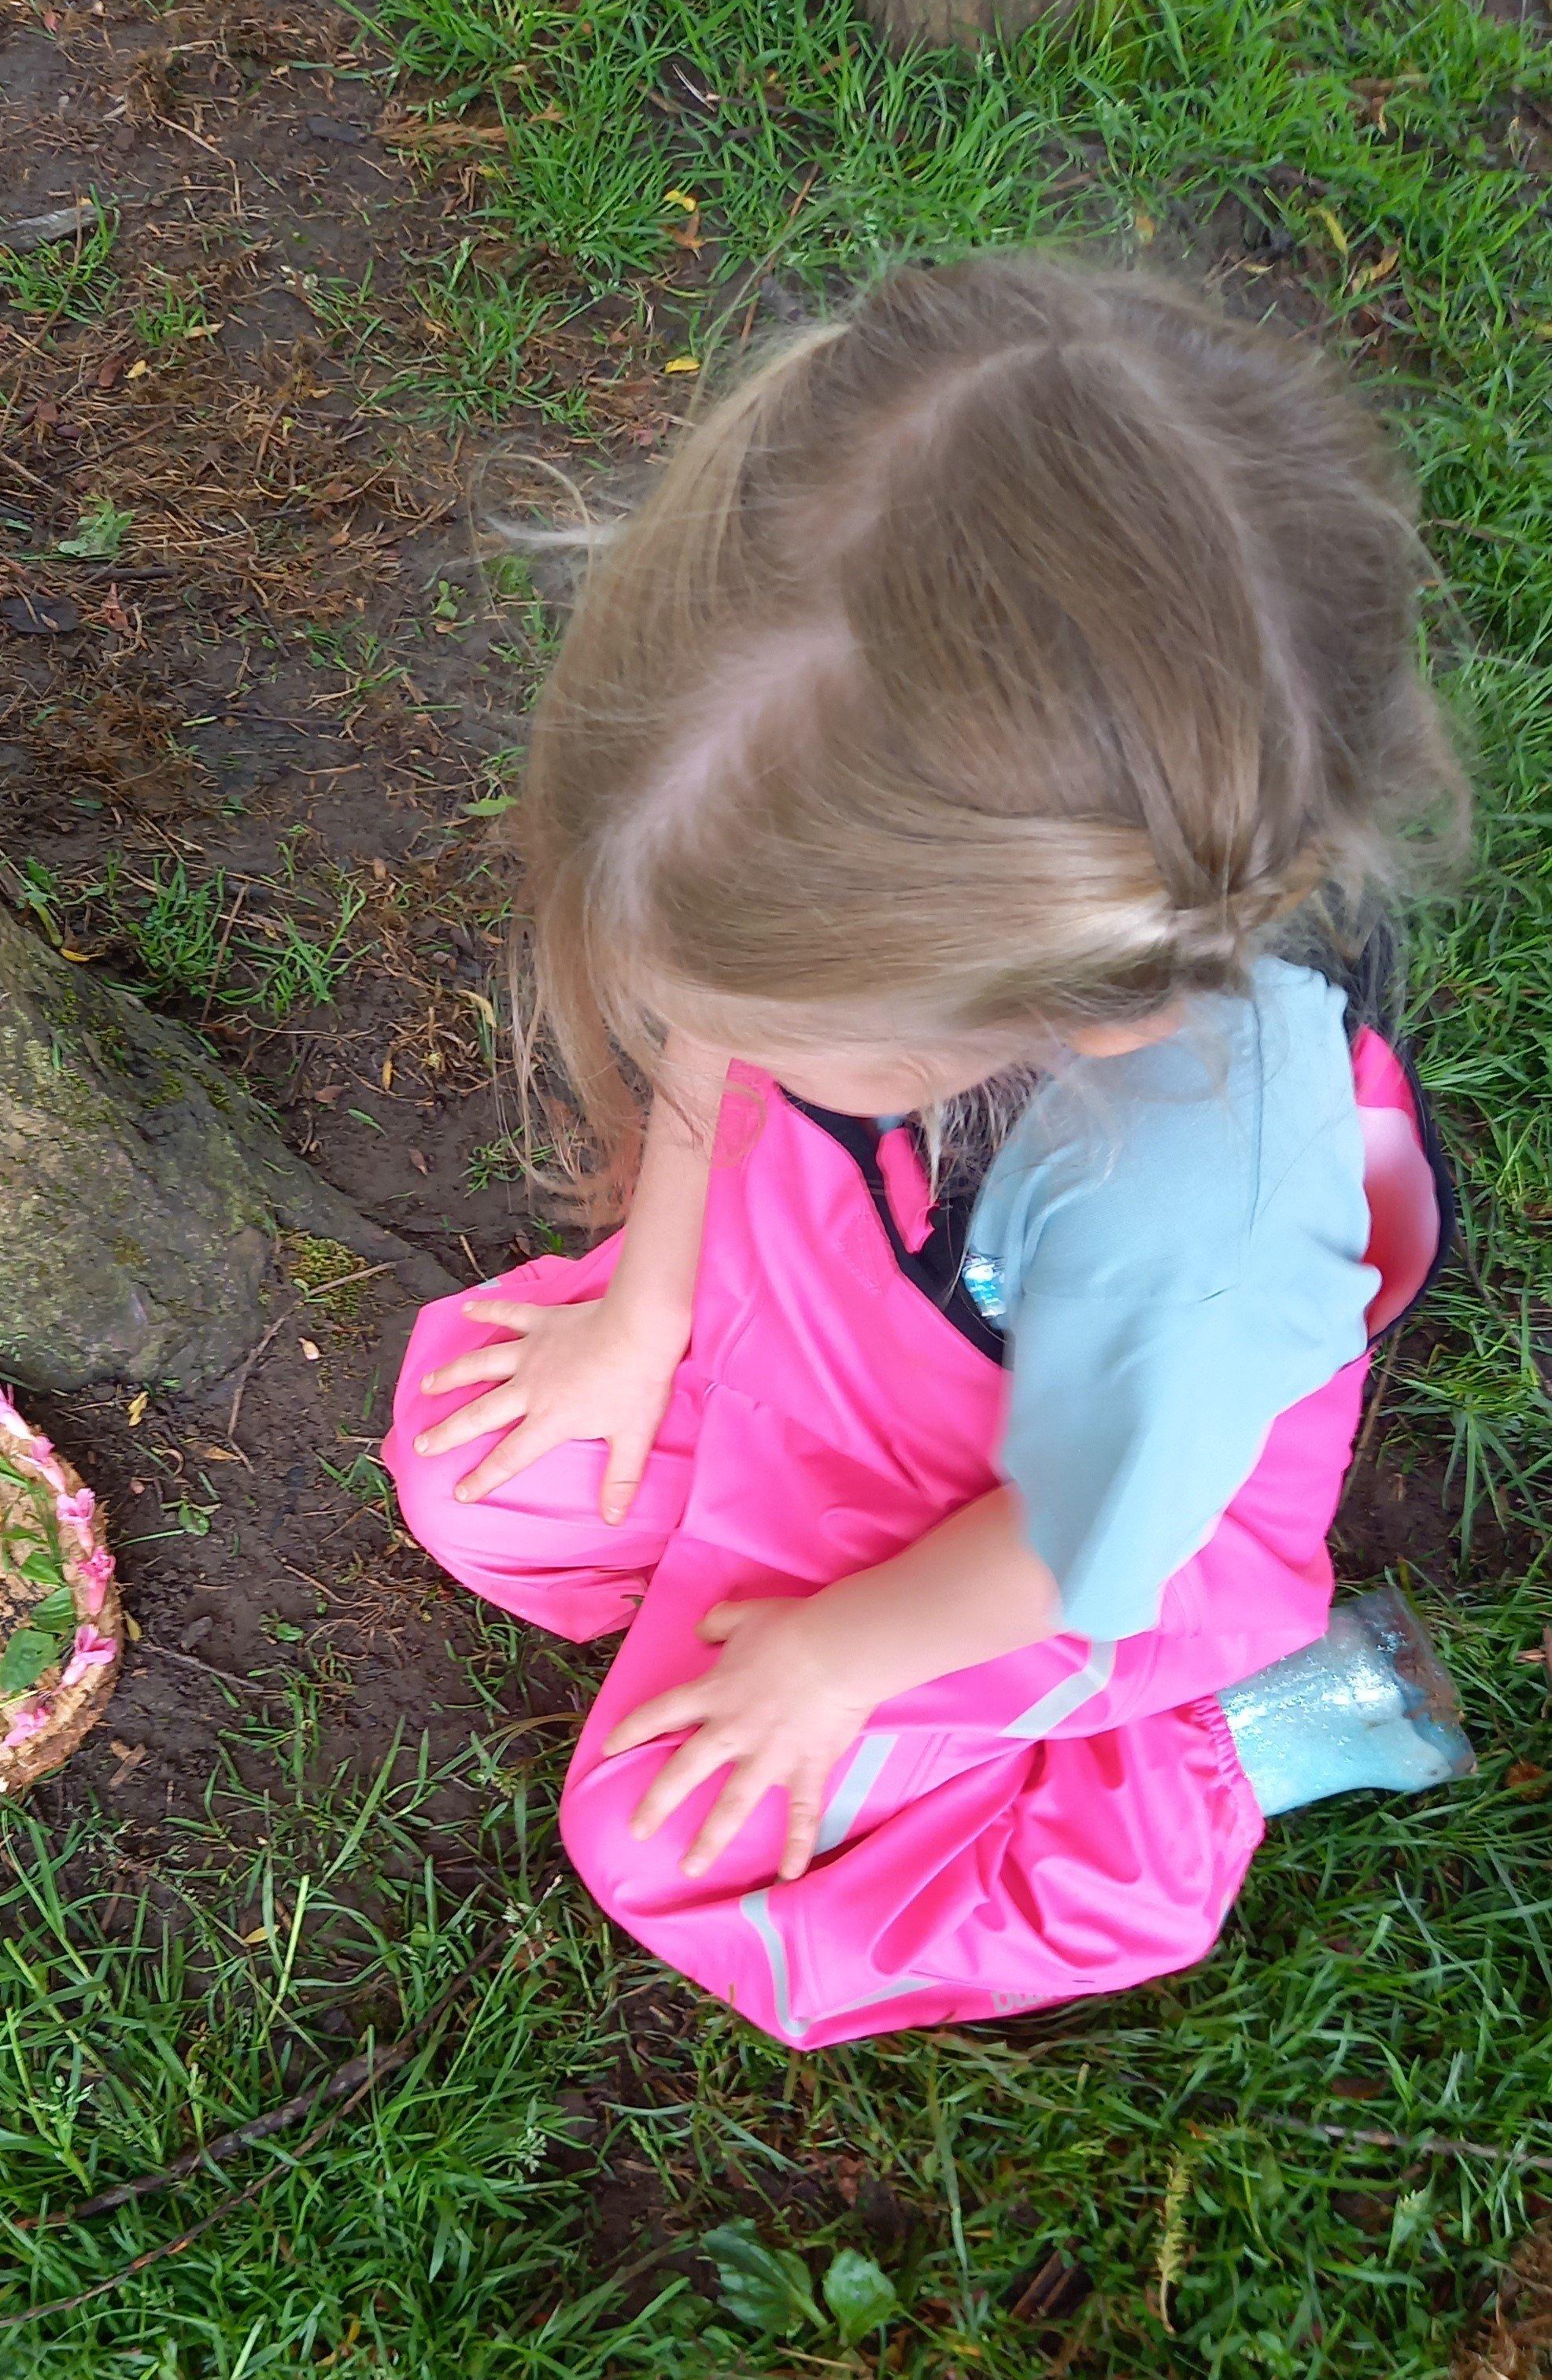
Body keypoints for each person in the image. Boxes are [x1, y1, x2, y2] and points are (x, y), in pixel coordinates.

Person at [384, 256, 1476, 2050]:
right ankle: (738, 1572)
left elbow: (1075, 1537)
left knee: (658, 1838)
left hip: (1031, 1514)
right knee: (475, 1465)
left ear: (1066, 1014)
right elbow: (720, 1038)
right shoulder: (845, 817)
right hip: (815, 1324)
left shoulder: (1198, 1218)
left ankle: (1232, 1751)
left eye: (780, 1008)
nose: (697, 1029)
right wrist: (646, 1309)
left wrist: (837, 1657)